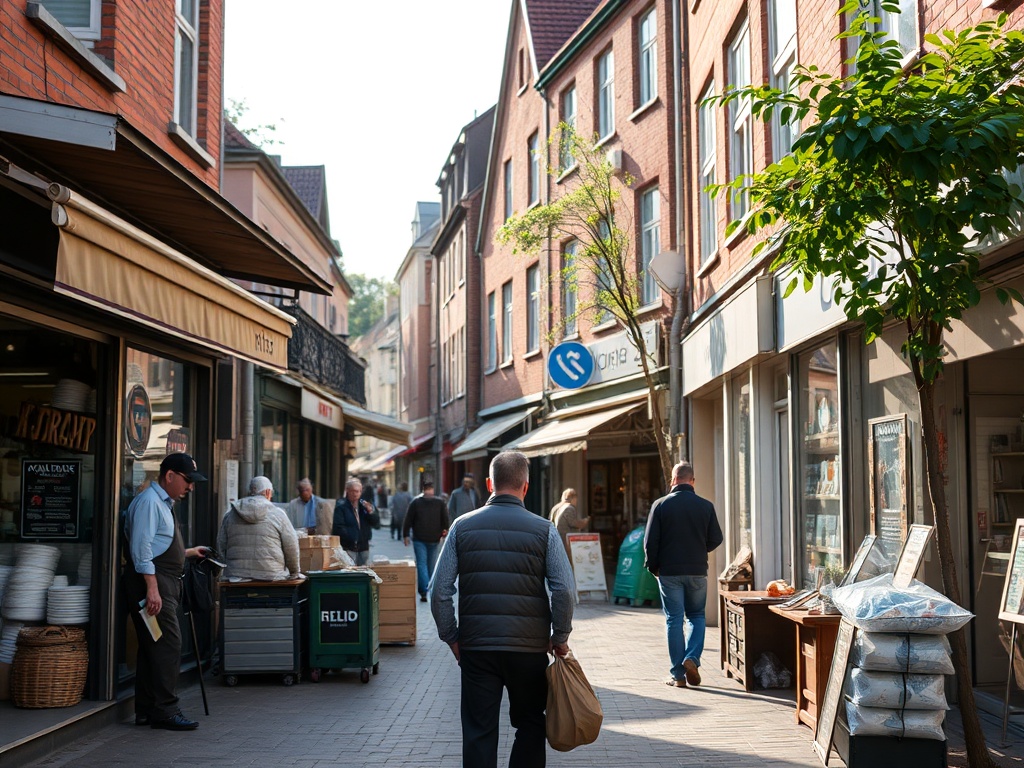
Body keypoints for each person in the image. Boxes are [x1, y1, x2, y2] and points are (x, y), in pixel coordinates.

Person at [431, 451, 574, 768]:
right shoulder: (544, 530)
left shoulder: (461, 527)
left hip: (477, 648)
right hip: (529, 649)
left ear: (488, 484)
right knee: (531, 723)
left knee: (479, 730)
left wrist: (452, 637)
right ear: (526, 486)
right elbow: (564, 590)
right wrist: (559, 636)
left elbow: (439, 590)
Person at [122, 452, 211, 731]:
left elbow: (157, 545)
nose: (190, 487)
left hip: (161, 582)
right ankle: (166, 711)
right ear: (169, 476)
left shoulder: (161, 503)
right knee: (169, 645)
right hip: (154, 584)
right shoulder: (150, 502)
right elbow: (141, 550)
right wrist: (152, 590)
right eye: (187, 481)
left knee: (154, 647)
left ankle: (147, 709)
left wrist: (187, 552)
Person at [643, 460, 723, 688]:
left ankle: (678, 676)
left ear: (673, 480)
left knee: (674, 620)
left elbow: (650, 543)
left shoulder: (660, 505)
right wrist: (699, 549)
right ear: (693, 481)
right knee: (697, 616)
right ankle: (692, 658)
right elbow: (716, 538)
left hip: (669, 572)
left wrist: (654, 567)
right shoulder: (705, 506)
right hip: (697, 570)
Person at [217, 476, 301, 581]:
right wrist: (294, 572)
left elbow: (221, 546)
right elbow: (291, 546)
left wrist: (230, 568)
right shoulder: (278, 514)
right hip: (272, 576)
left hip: (236, 577)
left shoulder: (230, 514)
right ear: (267, 492)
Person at [402, 481, 449, 602]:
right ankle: (431, 589)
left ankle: (424, 591)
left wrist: (405, 535)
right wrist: (445, 531)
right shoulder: (440, 502)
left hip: (419, 538)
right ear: (432, 490)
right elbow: (445, 519)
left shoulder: (415, 502)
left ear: (423, 489)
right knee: (431, 565)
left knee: (421, 564)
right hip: (434, 538)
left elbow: (408, 519)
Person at [332, 478, 376, 565]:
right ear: (347, 491)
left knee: (363, 572)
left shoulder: (364, 505)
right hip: (348, 547)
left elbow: (376, 523)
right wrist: (352, 537)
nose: (355, 494)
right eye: (353, 491)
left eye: (358, 491)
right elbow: (338, 527)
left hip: (363, 547)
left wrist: (370, 512)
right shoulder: (341, 506)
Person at [548, 488, 589, 557]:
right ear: (573, 498)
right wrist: (584, 522)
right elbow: (573, 523)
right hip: (566, 541)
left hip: (555, 539)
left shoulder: (556, 507)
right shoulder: (569, 508)